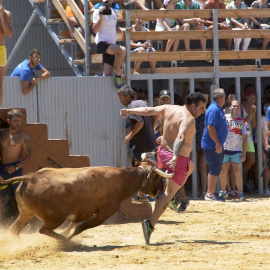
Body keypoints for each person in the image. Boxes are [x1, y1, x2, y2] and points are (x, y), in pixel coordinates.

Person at [120, 92, 206, 244]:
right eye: (201, 108)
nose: (202, 111)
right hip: (177, 158)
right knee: (168, 193)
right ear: (193, 106)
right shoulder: (189, 119)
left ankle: (165, 195)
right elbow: (180, 137)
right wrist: (175, 156)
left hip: (163, 153)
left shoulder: (169, 108)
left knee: (190, 167)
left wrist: (129, 111)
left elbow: (148, 111)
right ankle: (150, 223)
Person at [118, 85, 156, 202]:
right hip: (149, 141)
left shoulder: (131, 106)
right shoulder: (143, 103)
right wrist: (151, 129)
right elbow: (156, 115)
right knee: (148, 168)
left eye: (121, 98)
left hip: (141, 143)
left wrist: (130, 135)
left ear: (127, 96)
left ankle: (142, 195)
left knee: (139, 169)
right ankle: (142, 194)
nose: (120, 101)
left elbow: (139, 123)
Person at [155, 90, 190, 212]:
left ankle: (183, 200)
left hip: (174, 149)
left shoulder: (176, 113)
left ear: (170, 100)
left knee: (174, 176)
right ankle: (173, 200)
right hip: (164, 149)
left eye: (167, 99)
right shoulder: (160, 115)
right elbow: (157, 129)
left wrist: (163, 137)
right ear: (159, 100)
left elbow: (179, 133)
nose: (165, 101)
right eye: (163, 99)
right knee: (163, 175)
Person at [0, 109, 31, 224]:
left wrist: (16, 167)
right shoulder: (3, 134)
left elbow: (28, 156)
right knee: (1, 196)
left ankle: (24, 222)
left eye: (19, 120)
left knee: (18, 196)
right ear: (8, 121)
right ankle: (2, 223)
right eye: (15, 120)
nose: (18, 123)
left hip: (16, 170)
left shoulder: (23, 137)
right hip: (3, 168)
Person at [92, 0, 132, 89]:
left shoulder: (113, 11)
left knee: (107, 75)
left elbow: (116, 29)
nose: (107, 3)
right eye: (105, 2)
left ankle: (99, 85)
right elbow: (94, 30)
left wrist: (126, 29)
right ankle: (118, 73)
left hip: (111, 44)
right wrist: (101, 17)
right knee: (122, 50)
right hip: (102, 43)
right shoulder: (97, 11)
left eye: (108, 1)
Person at [201, 88, 228, 201]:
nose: (225, 98)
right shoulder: (214, 109)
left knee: (215, 169)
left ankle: (211, 192)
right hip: (212, 145)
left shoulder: (217, 108)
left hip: (215, 144)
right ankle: (210, 194)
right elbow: (210, 127)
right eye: (224, 96)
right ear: (221, 97)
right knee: (214, 169)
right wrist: (217, 143)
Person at [219, 100, 248, 201]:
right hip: (225, 150)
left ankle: (240, 193)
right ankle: (223, 192)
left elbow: (245, 139)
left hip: (236, 151)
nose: (235, 108)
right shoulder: (224, 119)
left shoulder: (242, 122)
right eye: (234, 106)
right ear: (230, 107)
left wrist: (244, 153)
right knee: (223, 172)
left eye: (237, 106)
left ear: (240, 108)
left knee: (237, 173)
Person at [241, 86, 256, 190]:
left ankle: (239, 175)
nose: (252, 100)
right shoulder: (241, 107)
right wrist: (250, 112)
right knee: (242, 159)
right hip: (240, 137)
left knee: (251, 160)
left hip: (249, 137)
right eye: (250, 98)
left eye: (254, 98)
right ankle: (241, 182)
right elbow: (243, 122)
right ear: (246, 98)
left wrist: (253, 113)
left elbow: (254, 125)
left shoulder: (254, 108)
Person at [0, 0, 13, 107]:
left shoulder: (6, 14)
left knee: (0, 82)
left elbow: (9, 34)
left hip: (1, 49)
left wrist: (1, 16)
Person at [261, 101, 270, 195]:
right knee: (267, 167)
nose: (267, 109)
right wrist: (266, 144)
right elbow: (265, 131)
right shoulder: (262, 118)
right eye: (264, 108)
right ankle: (266, 187)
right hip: (266, 145)